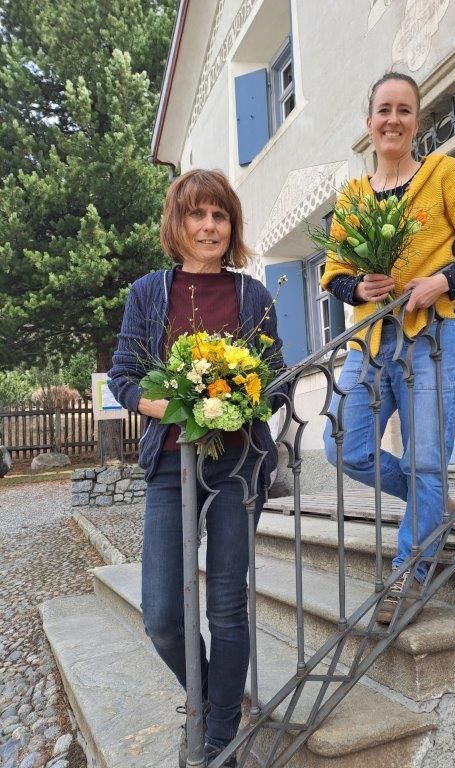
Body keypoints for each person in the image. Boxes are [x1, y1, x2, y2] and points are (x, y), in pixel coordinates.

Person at [108, 169, 284, 767]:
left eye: (220, 216)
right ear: (177, 223)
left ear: (230, 226)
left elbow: (277, 379)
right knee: (161, 615)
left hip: (238, 465)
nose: (209, 226)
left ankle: (221, 738)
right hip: (169, 466)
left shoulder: (253, 296)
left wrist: (238, 400)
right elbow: (124, 379)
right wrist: (185, 405)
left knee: (227, 606)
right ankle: (212, 701)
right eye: (197, 215)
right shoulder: (148, 292)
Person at [322, 72, 455, 624]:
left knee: (426, 459)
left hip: (433, 338)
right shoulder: (353, 196)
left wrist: (440, 282)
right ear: (369, 123)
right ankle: (436, 507)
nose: (393, 120)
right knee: (342, 447)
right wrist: (357, 287)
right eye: (383, 110)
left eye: (404, 110)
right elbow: (334, 273)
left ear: (416, 121)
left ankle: (409, 573)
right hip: (371, 342)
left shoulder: (444, 173)